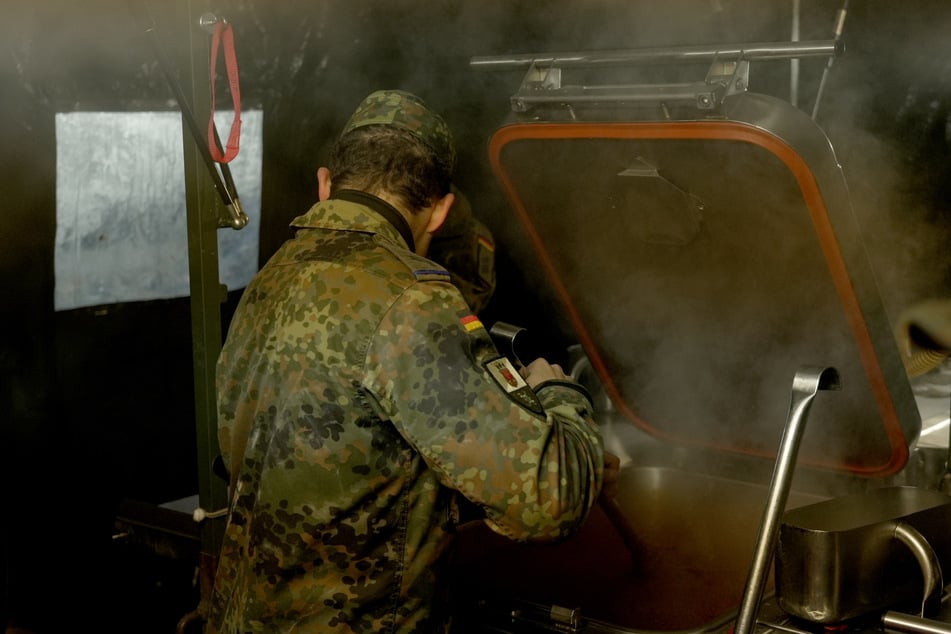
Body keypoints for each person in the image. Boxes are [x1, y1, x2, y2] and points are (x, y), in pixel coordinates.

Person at [208, 89, 615, 633]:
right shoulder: (410, 301)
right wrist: (559, 396)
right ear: (442, 210)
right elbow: (548, 500)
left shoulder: (268, 279)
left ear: (326, 183)